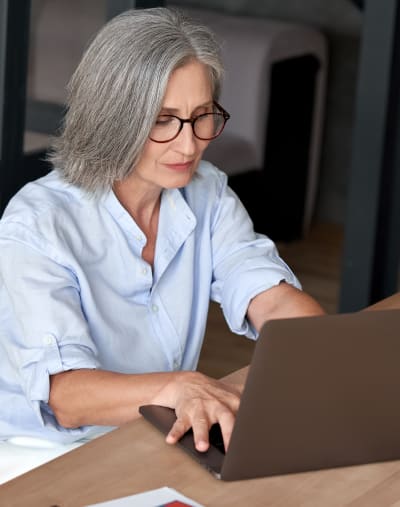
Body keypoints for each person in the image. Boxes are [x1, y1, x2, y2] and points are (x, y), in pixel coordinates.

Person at [0, 7, 324, 456]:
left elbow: (272, 299)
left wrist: (310, 357)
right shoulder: (36, 225)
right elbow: (67, 398)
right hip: (42, 453)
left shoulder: (206, 192)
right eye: (162, 120)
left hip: (155, 433)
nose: (189, 145)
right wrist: (183, 386)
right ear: (114, 118)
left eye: (202, 116)